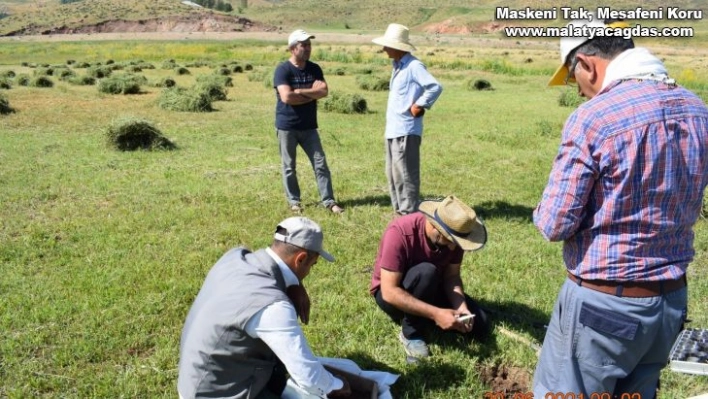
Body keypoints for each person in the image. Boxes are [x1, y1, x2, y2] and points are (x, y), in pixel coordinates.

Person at [533, 14, 708, 397]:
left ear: (586, 65)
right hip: (669, 301)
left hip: (605, 304)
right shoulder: (698, 111)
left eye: (571, 78)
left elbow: (554, 223)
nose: (577, 91)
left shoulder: (594, 118)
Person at [178, 217, 351, 398]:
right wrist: (337, 385)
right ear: (301, 259)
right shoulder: (272, 305)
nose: (310, 272)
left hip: (196, 379)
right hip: (215, 393)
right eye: (312, 265)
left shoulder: (234, 257)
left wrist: (295, 283)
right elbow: (310, 377)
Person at [369, 195, 490, 363]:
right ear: (435, 228)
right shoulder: (399, 232)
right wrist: (436, 314)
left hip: (431, 286)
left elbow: (451, 276)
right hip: (391, 295)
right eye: (451, 241)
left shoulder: (455, 236)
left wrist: (461, 307)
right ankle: (411, 333)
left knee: (480, 324)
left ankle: (430, 316)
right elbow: (389, 292)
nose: (453, 247)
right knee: (427, 272)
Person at [372, 23, 443, 216]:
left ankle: (409, 213)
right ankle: (400, 211)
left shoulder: (413, 66)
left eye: (387, 45)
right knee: (393, 174)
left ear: (397, 46)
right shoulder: (398, 66)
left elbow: (435, 87)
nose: (384, 48)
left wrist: (419, 104)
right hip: (394, 128)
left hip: (406, 128)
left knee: (405, 174)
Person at [274, 29, 343, 214]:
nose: (308, 48)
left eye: (309, 45)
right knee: (289, 167)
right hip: (287, 126)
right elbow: (287, 97)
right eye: (303, 45)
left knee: (320, 164)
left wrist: (299, 92)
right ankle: (294, 201)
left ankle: (328, 201)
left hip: (309, 127)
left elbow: (324, 91)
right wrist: (311, 94)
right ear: (292, 48)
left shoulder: (315, 68)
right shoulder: (283, 70)